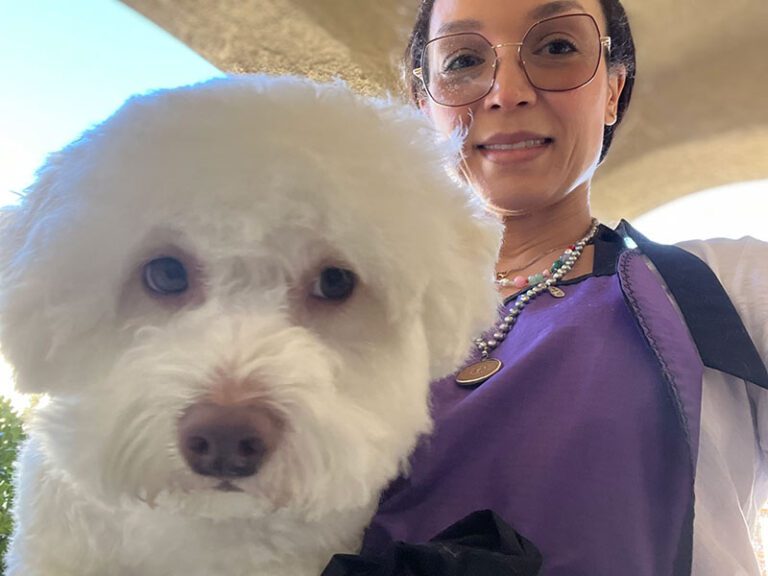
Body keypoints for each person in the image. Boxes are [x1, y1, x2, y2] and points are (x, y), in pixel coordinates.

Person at [355, 1, 768, 575]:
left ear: (613, 91)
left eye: (556, 48)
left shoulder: (723, 289)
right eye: (464, 60)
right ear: (423, 103)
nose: (507, 93)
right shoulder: (349, 314)